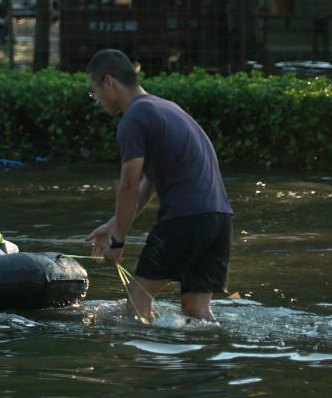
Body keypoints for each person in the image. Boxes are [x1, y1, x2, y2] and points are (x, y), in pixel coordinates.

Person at [84, 49, 233, 322]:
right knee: (196, 310)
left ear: (109, 82)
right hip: (219, 219)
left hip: (185, 218)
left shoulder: (133, 119)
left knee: (136, 298)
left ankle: (143, 365)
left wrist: (118, 243)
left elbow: (128, 186)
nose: (96, 101)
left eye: (94, 92)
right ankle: (211, 360)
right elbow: (148, 185)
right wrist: (114, 225)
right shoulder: (166, 108)